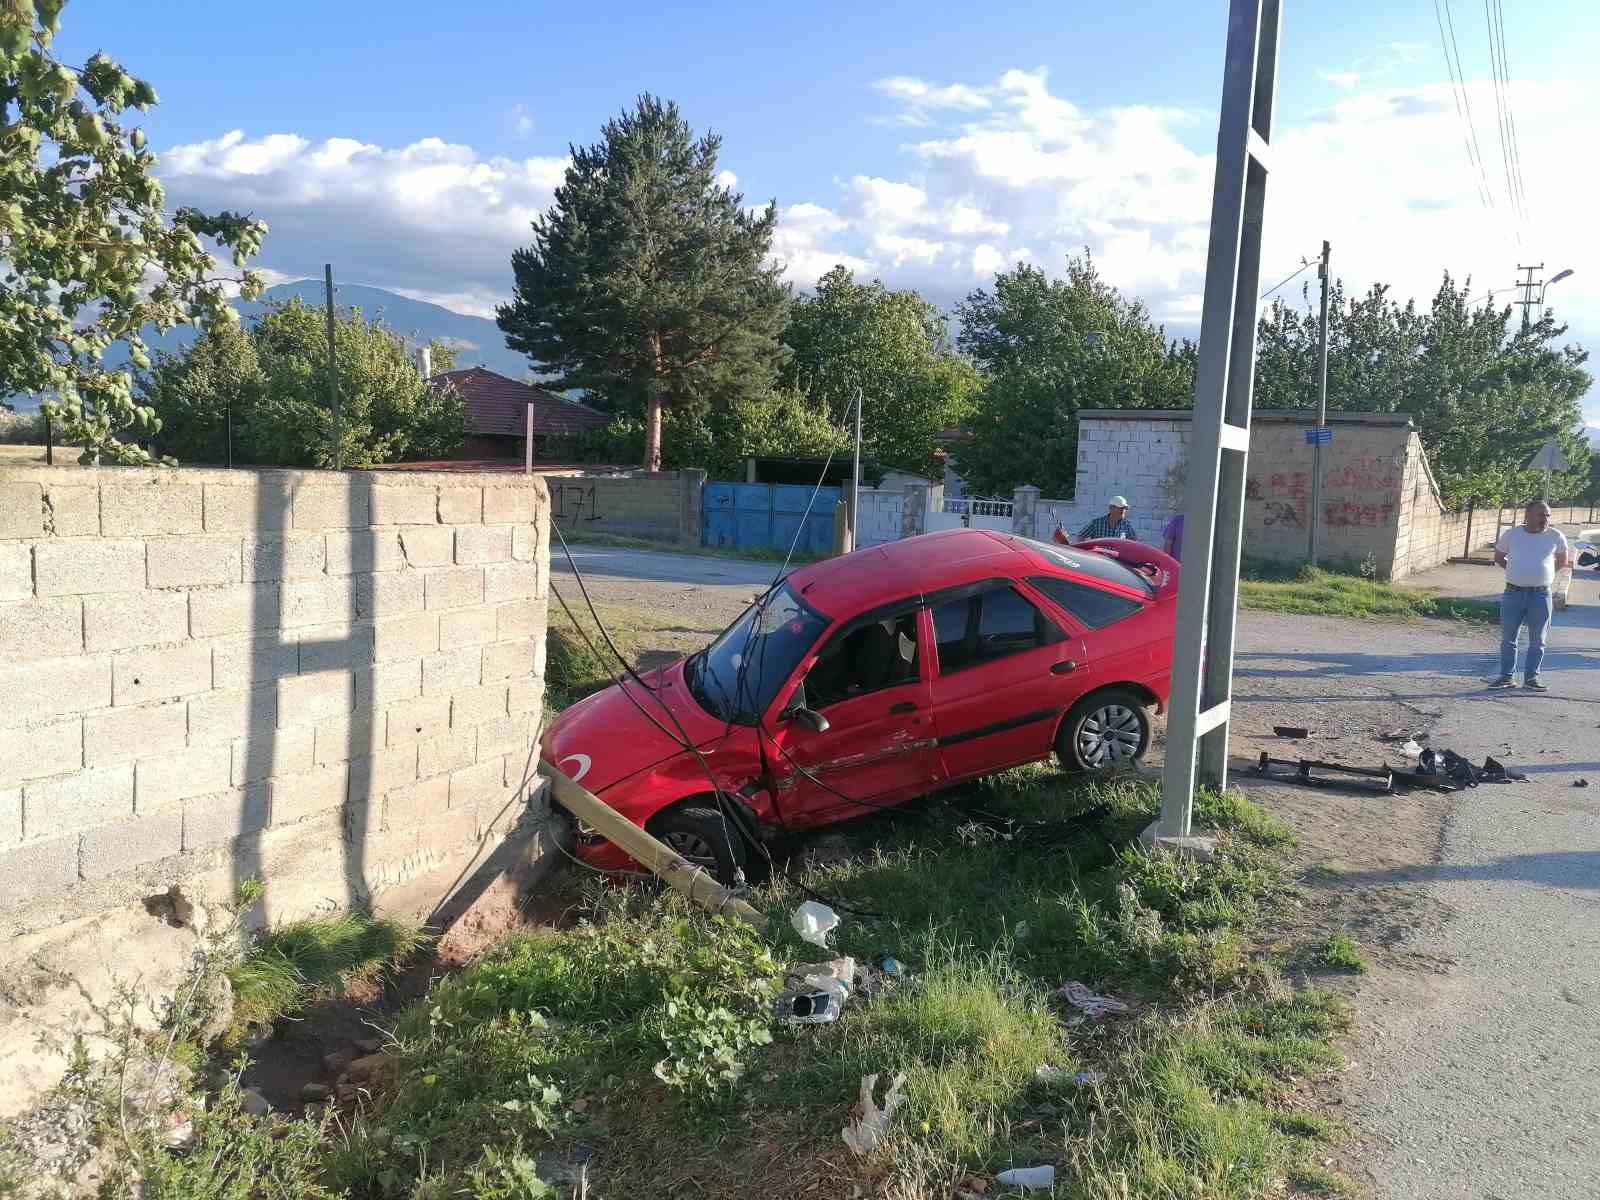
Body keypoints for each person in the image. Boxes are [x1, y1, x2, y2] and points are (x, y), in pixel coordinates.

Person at [1490, 499, 1569, 690]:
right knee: (1509, 639)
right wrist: (1515, 572)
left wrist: (1544, 575)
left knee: (1538, 640)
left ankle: (1531, 678)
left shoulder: (1555, 536)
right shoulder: (1512, 534)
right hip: (1513, 593)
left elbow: (1562, 560)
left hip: (1540, 595)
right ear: (1528, 515)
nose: (1545, 518)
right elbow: (1499, 557)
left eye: (1548, 515)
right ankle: (1506, 677)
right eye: (1541, 515)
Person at [1072, 495, 1139, 543]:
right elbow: (1081, 536)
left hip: (1117, 558)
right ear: (1111, 508)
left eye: (1125, 508)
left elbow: (1134, 541)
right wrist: (1085, 551)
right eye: (1121, 508)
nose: (1123, 510)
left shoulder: (1126, 525)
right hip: (1099, 557)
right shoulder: (1096, 523)